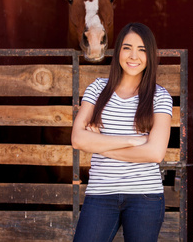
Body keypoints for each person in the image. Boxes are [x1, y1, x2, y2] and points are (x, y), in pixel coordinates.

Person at [71, 22, 173, 242]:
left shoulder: (160, 96)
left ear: (150, 55)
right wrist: (133, 140)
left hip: (144, 197)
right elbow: (78, 139)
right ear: (118, 51)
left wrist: (98, 143)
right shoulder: (97, 88)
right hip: (100, 194)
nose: (133, 56)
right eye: (127, 48)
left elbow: (155, 153)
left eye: (142, 49)